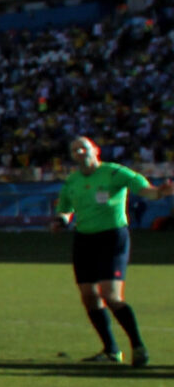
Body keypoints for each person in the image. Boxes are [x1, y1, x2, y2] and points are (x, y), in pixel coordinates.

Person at [53, 136, 160, 367]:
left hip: (112, 237)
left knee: (110, 296)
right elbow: (65, 209)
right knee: (89, 296)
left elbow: (146, 190)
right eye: (75, 149)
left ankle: (138, 346)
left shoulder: (115, 173)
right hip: (84, 240)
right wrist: (60, 221)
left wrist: (160, 193)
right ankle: (111, 350)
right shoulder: (72, 181)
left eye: (84, 147)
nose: (80, 151)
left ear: (96, 150)